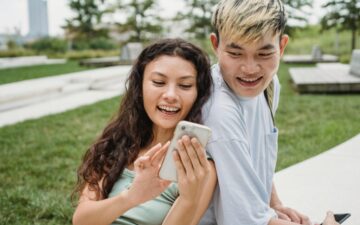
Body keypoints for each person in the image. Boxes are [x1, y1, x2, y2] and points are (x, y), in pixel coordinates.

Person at [199, 0, 340, 225]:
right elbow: (244, 220)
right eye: (235, 53)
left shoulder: (269, 85)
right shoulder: (219, 110)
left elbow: (255, 155)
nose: (250, 69)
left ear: (281, 46)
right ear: (216, 45)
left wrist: (274, 203)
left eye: (264, 54)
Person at [72, 38, 217, 225]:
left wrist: (190, 200)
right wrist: (133, 196)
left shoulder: (199, 166)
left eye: (185, 85)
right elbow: (81, 221)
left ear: (198, 94)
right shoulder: (117, 142)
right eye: (158, 82)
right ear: (140, 87)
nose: (171, 95)